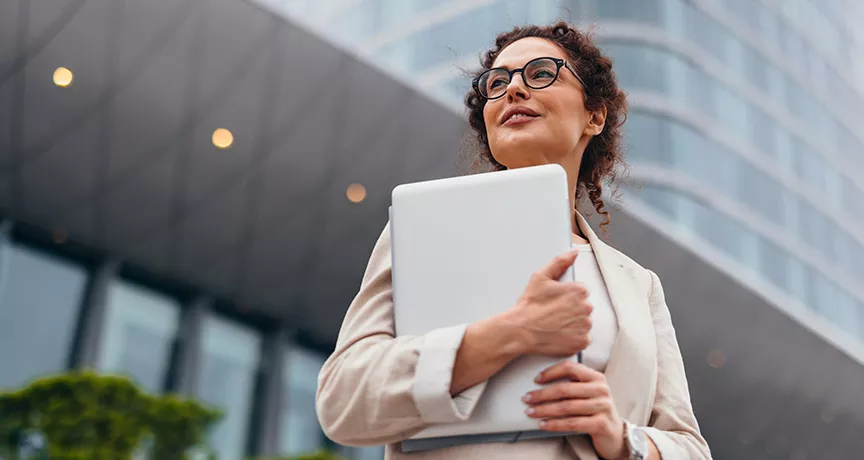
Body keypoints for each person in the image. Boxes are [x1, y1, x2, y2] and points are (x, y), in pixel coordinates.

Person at [316, 22, 711, 460]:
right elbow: (342, 400)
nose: (513, 90)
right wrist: (512, 332)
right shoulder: (426, 230)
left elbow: (689, 447)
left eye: (541, 73)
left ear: (594, 116)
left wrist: (621, 437)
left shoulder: (639, 285)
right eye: (497, 82)